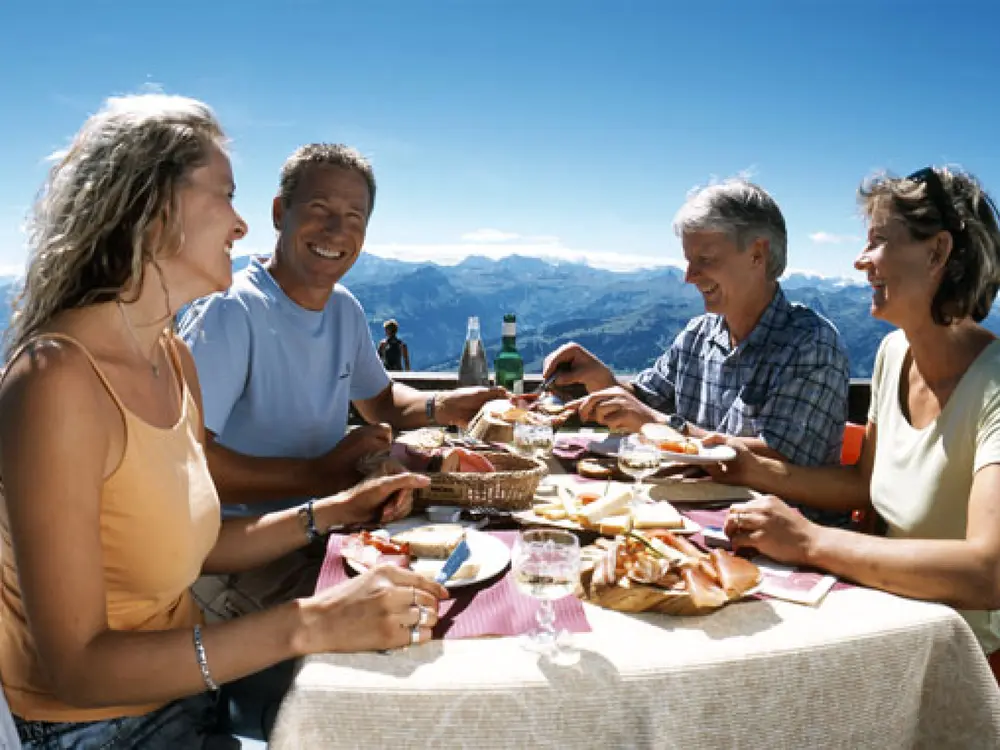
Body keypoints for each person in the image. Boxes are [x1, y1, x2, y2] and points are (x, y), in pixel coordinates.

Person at [0, 93, 446, 749]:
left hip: (186, 696)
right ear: (149, 209)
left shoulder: (170, 357)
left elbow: (190, 542)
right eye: (225, 196)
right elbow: (78, 669)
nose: (240, 227)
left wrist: (335, 510)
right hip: (98, 728)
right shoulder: (56, 382)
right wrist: (309, 622)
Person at [708, 166, 1000, 675]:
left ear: (937, 253)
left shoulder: (994, 389)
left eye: (879, 242)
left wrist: (809, 541)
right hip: (886, 612)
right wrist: (749, 470)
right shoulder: (893, 354)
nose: (860, 260)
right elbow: (863, 487)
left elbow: (986, 571)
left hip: (956, 654)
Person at [543, 179, 851, 474]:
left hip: (782, 522)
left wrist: (660, 424)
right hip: (704, 511)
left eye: (705, 259)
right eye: (689, 260)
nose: (689, 276)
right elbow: (648, 400)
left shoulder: (810, 344)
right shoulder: (699, 334)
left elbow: (783, 466)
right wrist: (601, 380)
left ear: (758, 254)